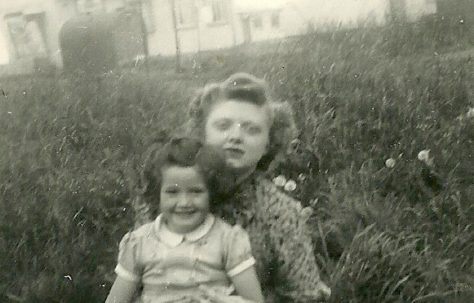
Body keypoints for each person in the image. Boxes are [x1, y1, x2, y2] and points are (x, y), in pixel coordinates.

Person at [106, 137, 265, 303]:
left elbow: (254, 301)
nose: (184, 203)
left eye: (196, 191)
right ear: (157, 193)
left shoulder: (227, 240)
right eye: (172, 192)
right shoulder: (140, 243)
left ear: (211, 192)